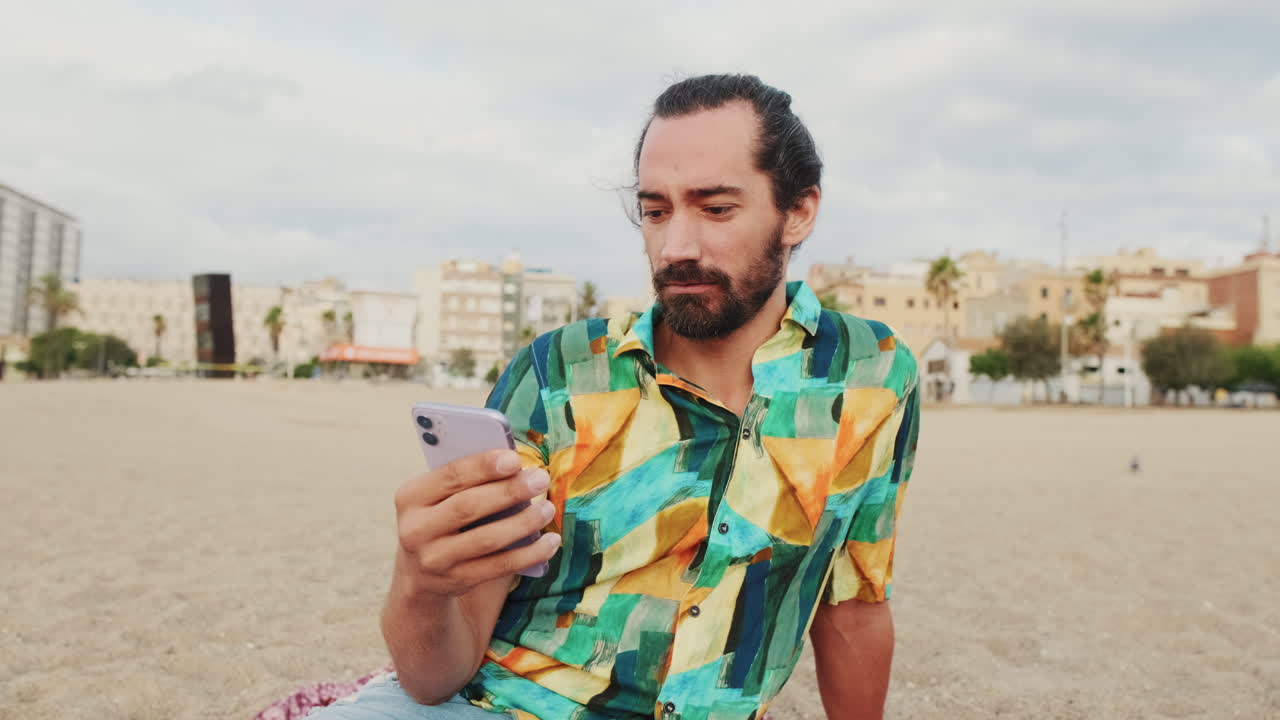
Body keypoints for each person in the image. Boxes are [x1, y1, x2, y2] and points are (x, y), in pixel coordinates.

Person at [310, 74, 920, 720]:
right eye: (656, 211)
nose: (676, 247)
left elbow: (852, 607)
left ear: (798, 211)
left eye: (715, 209)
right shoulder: (560, 373)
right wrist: (420, 584)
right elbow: (435, 676)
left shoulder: (870, 374)